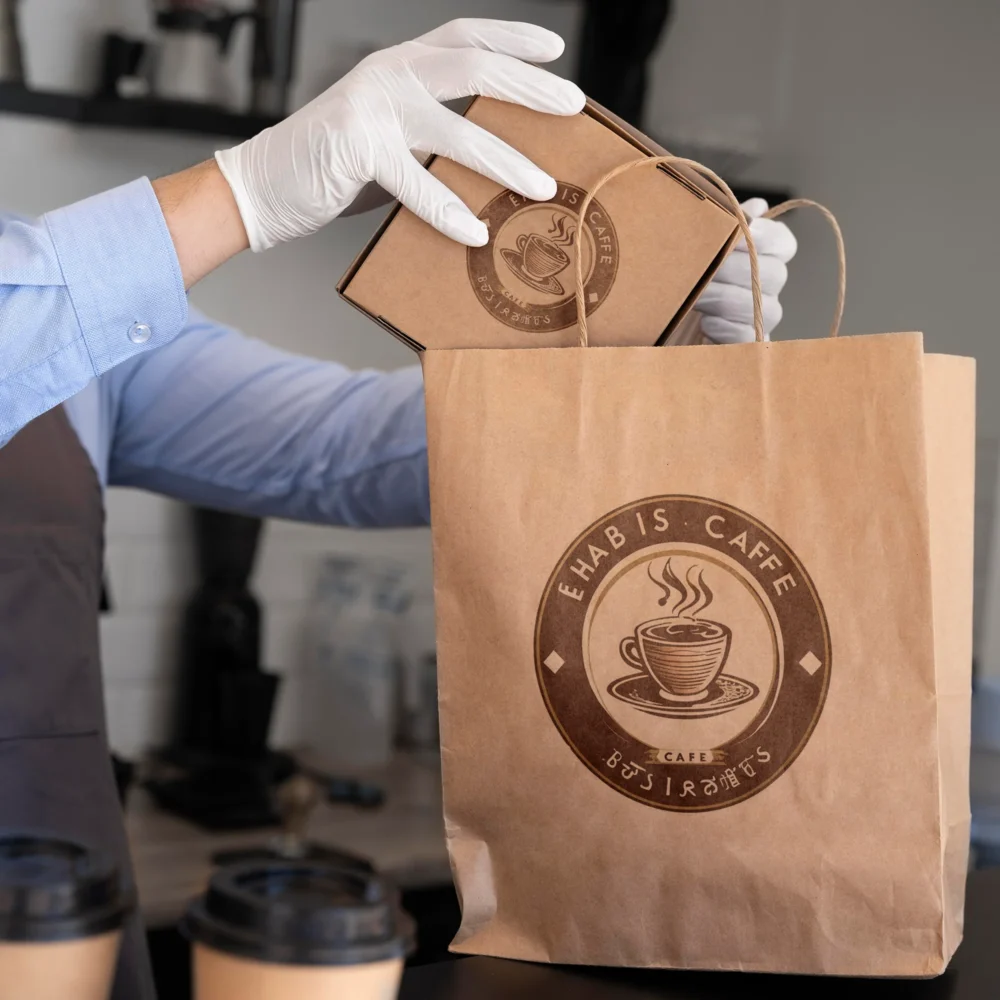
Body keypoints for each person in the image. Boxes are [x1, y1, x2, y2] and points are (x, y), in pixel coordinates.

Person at [0, 17, 796, 1000]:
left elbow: (344, 450)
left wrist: (650, 354)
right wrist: (238, 192)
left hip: (57, 928)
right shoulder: (49, 296)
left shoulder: (64, 308)